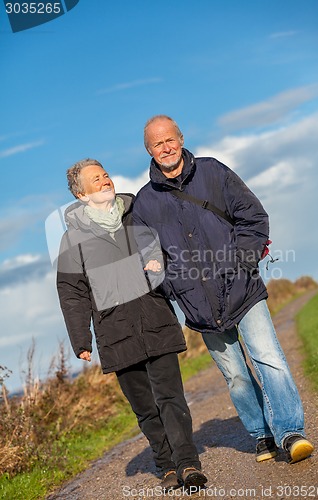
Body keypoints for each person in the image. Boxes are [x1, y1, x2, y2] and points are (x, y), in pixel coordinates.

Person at [132, 115, 314, 464]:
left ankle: (291, 432)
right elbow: (148, 259)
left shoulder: (214, 172)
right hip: (198, 304)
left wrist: (243, 261)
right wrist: (176, 288)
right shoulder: (145, 203)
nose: (167, 147)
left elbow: (253, 216)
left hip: (242, 288)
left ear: (181, 139)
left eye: (171, 139)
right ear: (149, 150)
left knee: (269, 359)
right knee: (235, 376)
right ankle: (261, 434)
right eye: (158, 143)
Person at [56, 158, 207, 491]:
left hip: (154, 316)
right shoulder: (71, 241)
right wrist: (81, 339)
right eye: (96, 179)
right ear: (81, 194)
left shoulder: (137, 215)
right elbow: (72, 292)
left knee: (171, 396)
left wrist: (157, 264)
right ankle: (167, 466)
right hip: (115, 331)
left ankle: (187, 463)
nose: (105, 180)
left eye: (106, 175)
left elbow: (165, 249)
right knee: (144, 407)